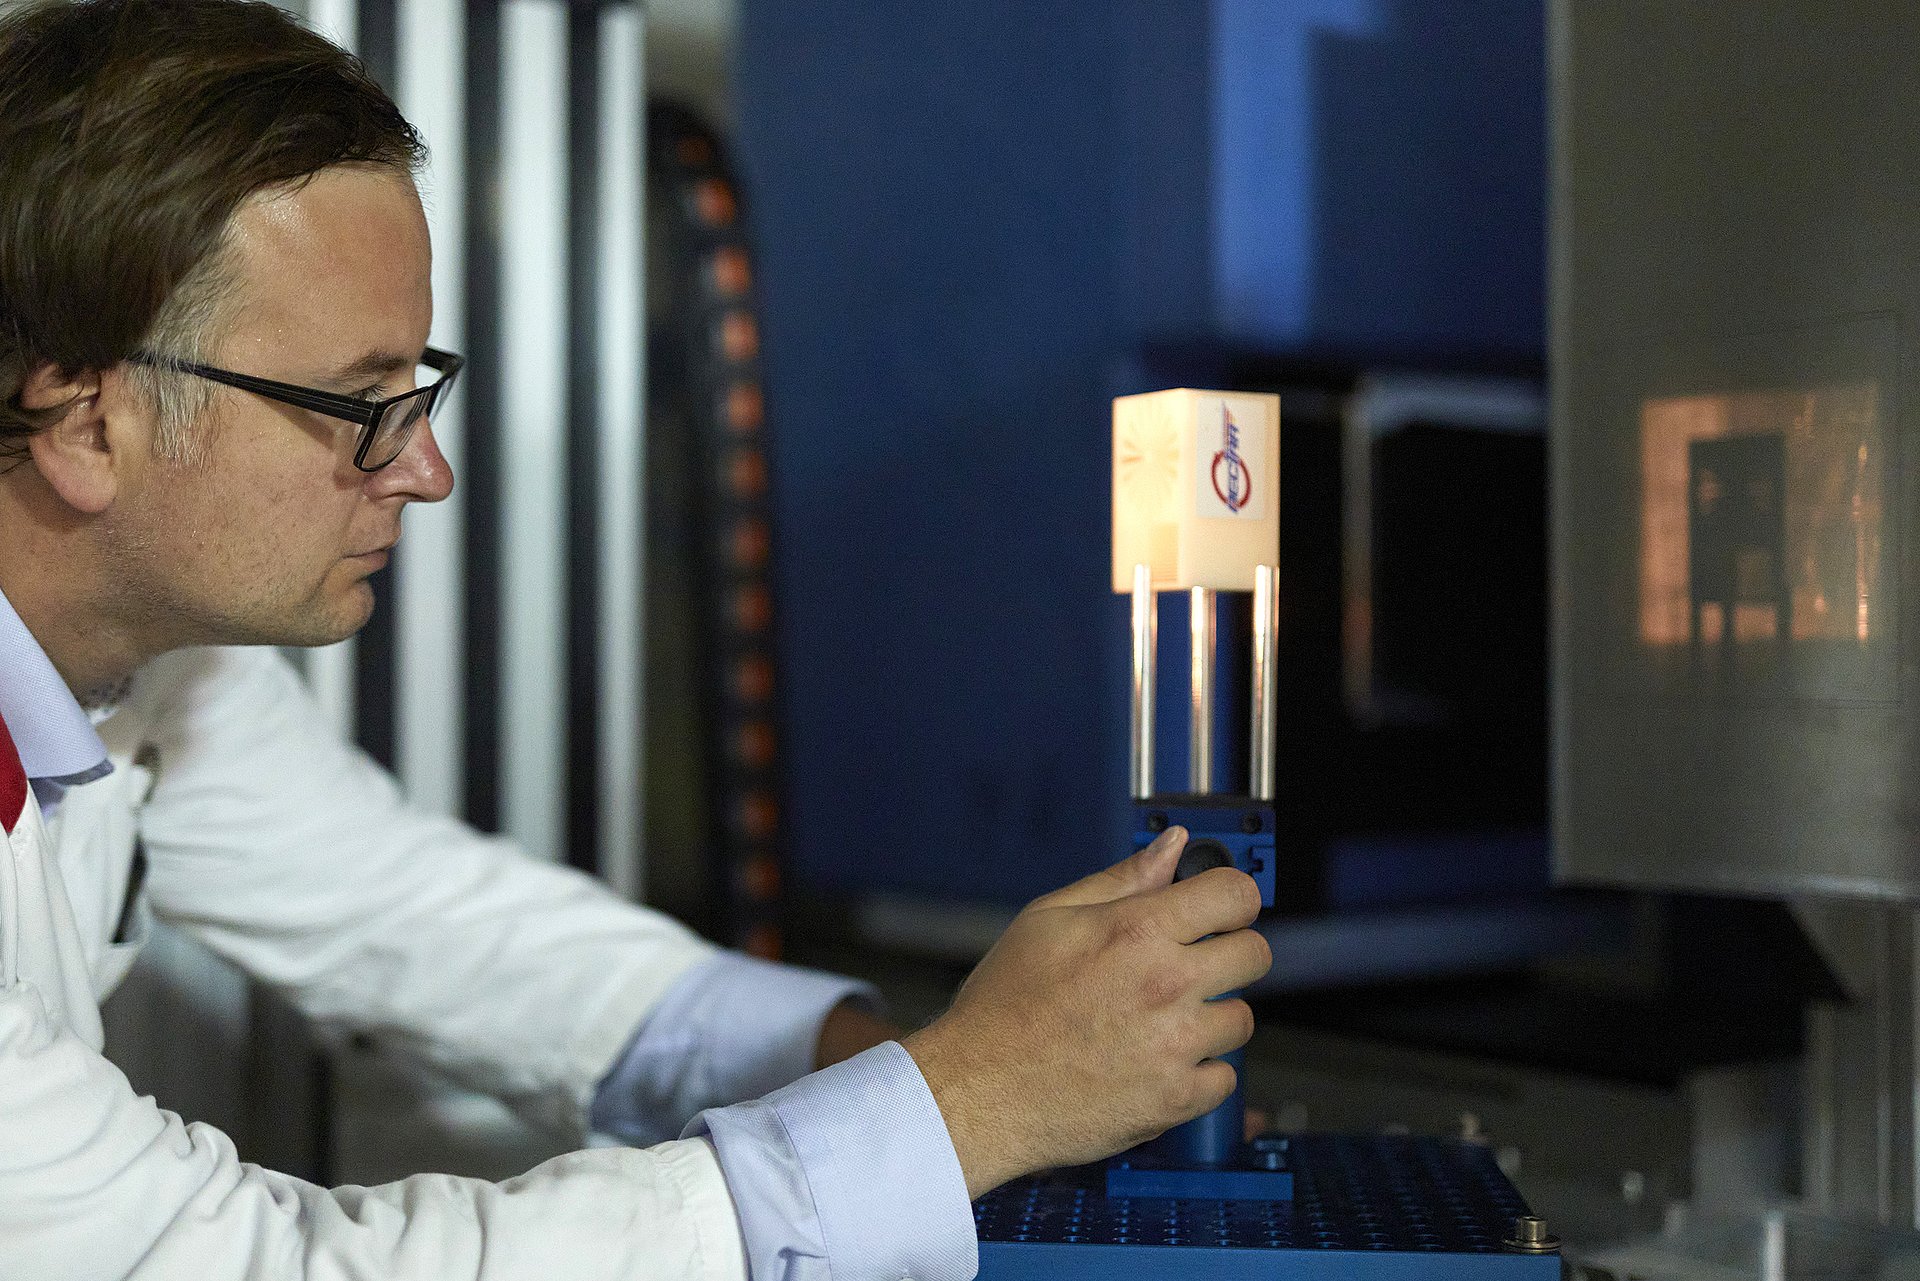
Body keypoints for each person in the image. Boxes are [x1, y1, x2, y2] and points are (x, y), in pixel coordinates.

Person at [0, 1, 1273, 1278]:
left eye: (418, 392)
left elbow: (435, 928)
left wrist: (919, 1063)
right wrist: (965, 1105)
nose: (428, 471)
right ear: (84, 425)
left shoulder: (153, 673)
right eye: (358, 405)